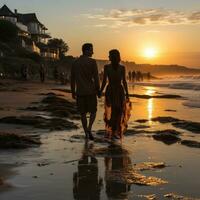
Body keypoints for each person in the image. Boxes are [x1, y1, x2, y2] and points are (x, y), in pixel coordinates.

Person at [100, 49, 131, 139]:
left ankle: (115, 130)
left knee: (119, 110)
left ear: (114, 57)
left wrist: (127, 93)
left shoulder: (122, 68)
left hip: (119, 91)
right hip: (111, 90)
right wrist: (101, 91)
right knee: (114, 110)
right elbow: (104, 81)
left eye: (109, 55)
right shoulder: (107, 67)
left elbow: (124, 81)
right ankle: (113, 131)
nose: (108, 57)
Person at [71, 43, 100, 140]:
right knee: (93, 111)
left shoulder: (75, 62)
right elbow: (96, 77)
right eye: (91, 50)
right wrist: (98, 89)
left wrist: (72, 91)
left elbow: (72, 79)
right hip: (91, 91)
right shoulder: (92, 62)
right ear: (86, 50)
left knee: (82, 113)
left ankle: (86, 132)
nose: (93, 52)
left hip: (80, 92)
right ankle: (89, 128)